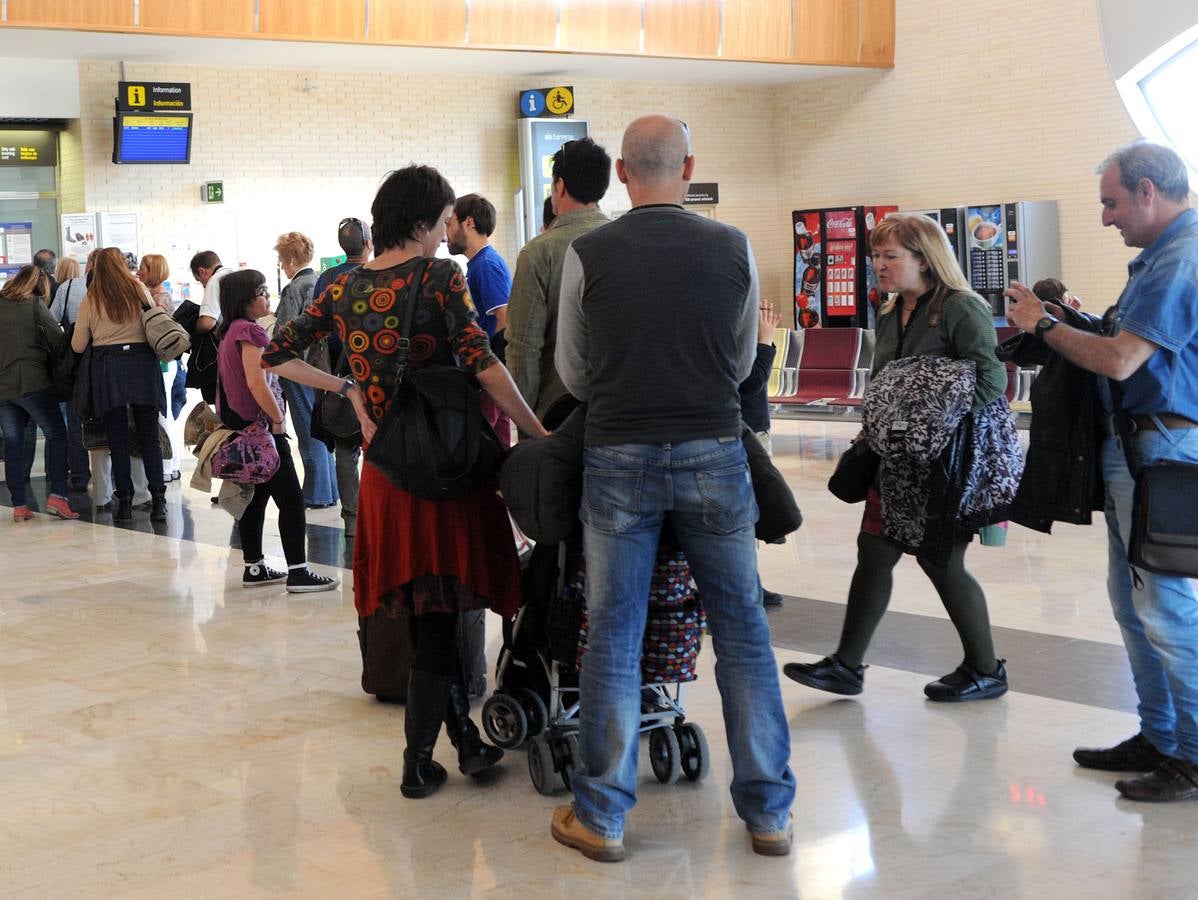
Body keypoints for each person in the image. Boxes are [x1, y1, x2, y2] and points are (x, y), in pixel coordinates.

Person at [552, 115, 795, 861]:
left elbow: (573, 371)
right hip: (714, 451)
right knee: (745, 630)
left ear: (623, 173)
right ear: (689, 165)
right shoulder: (733, 247)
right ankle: (768, 814)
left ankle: (602, 816)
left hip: (618, 453)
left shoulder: (586, 252)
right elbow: (740, 357)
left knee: (614, 633)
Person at [263, 164, 547, 801]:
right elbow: (482, 363)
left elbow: (273, 354)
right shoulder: (441, 276)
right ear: (422, 219)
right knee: (440, 621)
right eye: (444, 216)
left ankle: (466, 745)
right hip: (444, 467)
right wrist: (534, 431)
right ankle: (417, 764)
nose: (449, 229)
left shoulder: (341, 286)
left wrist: (346, 388)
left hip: (386, 471)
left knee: (424, 617)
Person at [1005, 140, 1198, 803]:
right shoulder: (1162, 257)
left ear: (1148, 191)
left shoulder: (1180, 258)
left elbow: (1121, 362)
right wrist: (1068, 321)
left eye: (1112, 203)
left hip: (1163, 455)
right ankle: (1161, 734)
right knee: (1133, 604)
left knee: (1165, 609)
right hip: (1138, 452)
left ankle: (1193, 753)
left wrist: (1042, 325)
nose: (1107, 217)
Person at [785, 213, 1008, 702]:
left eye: (890, 256)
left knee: (941, 559)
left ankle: (986, 667)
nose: (879, 266)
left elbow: (993, 382)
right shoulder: (890, 313)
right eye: (875, 257)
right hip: (896, 458)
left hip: (946, 459)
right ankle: (847, 664)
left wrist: (933, 420)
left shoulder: (961, 308)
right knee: (875, 552)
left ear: (924, 260)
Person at [215, 269, 339, 593]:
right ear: (245, 300)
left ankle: (254, 566)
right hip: (261, 428)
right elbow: (257, 382)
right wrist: (277, 421)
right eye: (262, 290)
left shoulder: (229, 332)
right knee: (292, 499)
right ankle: (298, 570)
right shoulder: (251, 333)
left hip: (240, 426)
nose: (268, 296)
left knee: (255, 497)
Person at [506, 136, 611, 427]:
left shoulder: (539, 253)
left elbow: (523, 348)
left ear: (559, 186)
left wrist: (527, 426)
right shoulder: (628, 242)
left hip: (558, 416)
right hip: (618, 412)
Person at [71, 247, 168, 522]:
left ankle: (124, 501)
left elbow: (78, 345)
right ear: (124, 265)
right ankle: (158, 500)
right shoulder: (138, 288)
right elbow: (155, 320)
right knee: (149, 436)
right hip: (142, 364)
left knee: (117, 438)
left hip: (108, 367)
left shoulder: (93, 297)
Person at [310, 217, 373, 537]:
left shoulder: (327, 279)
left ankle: (352, 518)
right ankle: (381, 514)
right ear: (369, 243)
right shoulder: (377, 275)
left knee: (346, 448)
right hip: (374, 371)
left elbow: (316, 326)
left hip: (337, 374)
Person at [0, 265, 78, 521]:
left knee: (13, 443)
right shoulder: (33, 304)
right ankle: (58, 496)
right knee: (57, 434)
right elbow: (57, 340)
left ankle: (20, 505)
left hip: (3, 388)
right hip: (32, 383)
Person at [273, 231, 338, 510]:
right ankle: (330, 489)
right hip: (321, 365)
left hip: (298, 367)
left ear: (291, 258)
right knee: (322, 427)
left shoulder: (294, 288)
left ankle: (315, 493)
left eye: (280, 258)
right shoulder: (321, 282)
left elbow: (286, 331)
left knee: (308, 430)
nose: (280, 264)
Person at [445, 194, 513, 443]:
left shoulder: (486, 265)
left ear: (469, 222)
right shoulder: (478, 264)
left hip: (487, 374)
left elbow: (504, 320)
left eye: (450, 222)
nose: (446, 231)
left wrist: (490, 377)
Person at [740, 301, 785, 607]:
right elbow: (752, 382)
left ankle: (750, 582)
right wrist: (765, 339)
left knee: (747, 516)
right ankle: (746, 586)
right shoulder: (726, 326)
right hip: (745, 431)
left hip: (751, 427)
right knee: (744, 515)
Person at [50, 249, 97, 490]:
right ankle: (109, 476)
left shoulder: (67, 287)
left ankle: (79, 474)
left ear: (89, 264)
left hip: (76, 359)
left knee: (75, 417)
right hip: (105, 358)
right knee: (108, 415)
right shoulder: (122, 289)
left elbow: (52, 320)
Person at [138, 253, 183, 483]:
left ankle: (166, 465)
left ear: (153, 270)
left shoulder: (158, 299)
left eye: (143, 267)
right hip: (165, 363)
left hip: (163, 364)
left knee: (162, 415)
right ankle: (171, 464)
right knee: (164, 415)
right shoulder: (158, 295)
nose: (139, 271)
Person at [190, 250, 232, 404]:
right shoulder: (233, 275)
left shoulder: (214, 281)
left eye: (199, 280)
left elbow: (207, 323)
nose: (203, 285)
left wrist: (194, 327)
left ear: (202, 271)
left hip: (228, 346)